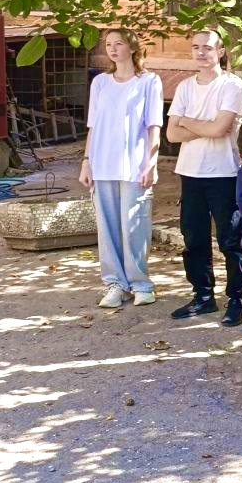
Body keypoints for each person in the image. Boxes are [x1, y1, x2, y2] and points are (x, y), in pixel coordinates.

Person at [166, 29, 242, 325]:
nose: (201, 52)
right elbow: (171, 134)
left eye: (208, 47)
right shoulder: (185, 87)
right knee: (193, 238)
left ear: (221, 51)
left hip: (223, 172)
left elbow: (220, 129)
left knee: (230, 239)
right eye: (196, 47)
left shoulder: (232, 85)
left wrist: (187, 121)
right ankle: (203, 296)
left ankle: (237, 299)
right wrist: (205, 126)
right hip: (190, 172)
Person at [80, 28, 163, 309]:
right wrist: (86, 161)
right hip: (102, 163)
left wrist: (151, 163)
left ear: (133, 47)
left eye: (119, 43)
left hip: (134, 164)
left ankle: (141, 284)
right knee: (107, 228)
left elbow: (153, 126)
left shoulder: (149, 81)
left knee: (135, 225)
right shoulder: (100, 83)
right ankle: (115, 284)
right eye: (108, 44)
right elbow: (93, 126)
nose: (113, 49)